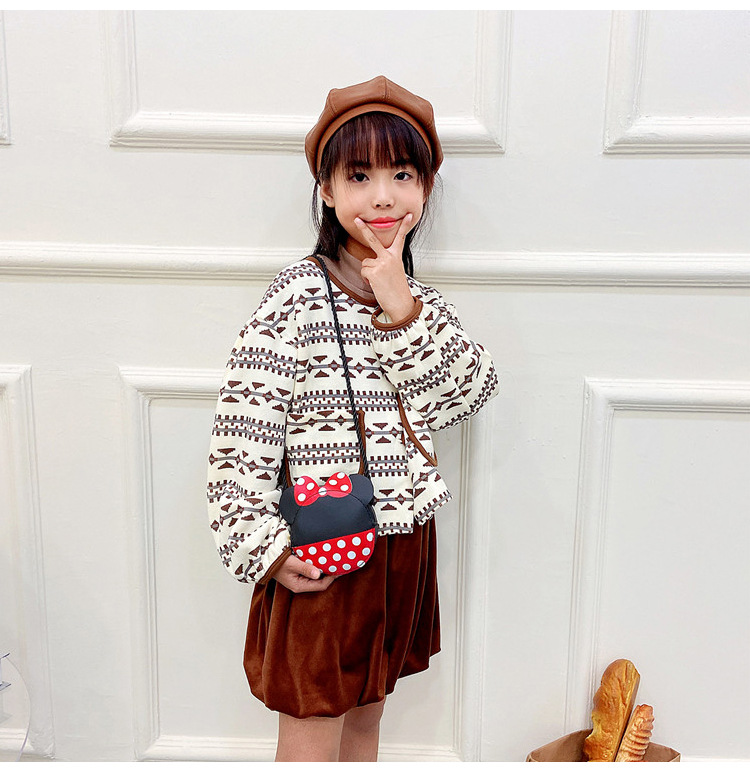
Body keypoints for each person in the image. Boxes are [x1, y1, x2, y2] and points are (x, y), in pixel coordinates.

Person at [206, 75, 500, 762]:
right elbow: (242, 432)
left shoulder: (419, 301)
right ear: (328, 191)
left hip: (401, 544)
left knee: (366, 721)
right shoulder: (296, 296)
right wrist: (264, 547)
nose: (384, 196)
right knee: (311, 729)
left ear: (426, 188)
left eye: (403, 174)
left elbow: (467, 393)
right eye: (360, 176)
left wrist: (402, 307)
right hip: (326, 543)